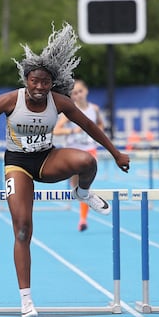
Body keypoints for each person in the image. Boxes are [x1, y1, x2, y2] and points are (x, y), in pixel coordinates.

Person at [0, 23, 130, 317]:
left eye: (46, 83)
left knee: (87, 162)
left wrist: (116, 152)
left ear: (51, 84)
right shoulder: (9, 101)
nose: (40, 88)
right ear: (26, 80)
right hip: (17, 164)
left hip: (46, 159)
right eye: (35, 81)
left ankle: (82, 191)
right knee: (22, 228)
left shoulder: (58, 102)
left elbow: (89, 126)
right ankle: (26, 300)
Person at [52, 79, 104, 232]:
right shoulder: (70, 111)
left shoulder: (94, 109)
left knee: (84, 186)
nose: (78, 95)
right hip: (73, 150)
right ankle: (80, 197)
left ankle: (83, 219)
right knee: (75, 186)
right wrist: (72, 131)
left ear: (86, 91)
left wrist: (97, 132)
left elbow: (100, 124)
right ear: (71, 96)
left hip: (89, 150)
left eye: (80, 91)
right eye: (75, 93)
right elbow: (56, 130)